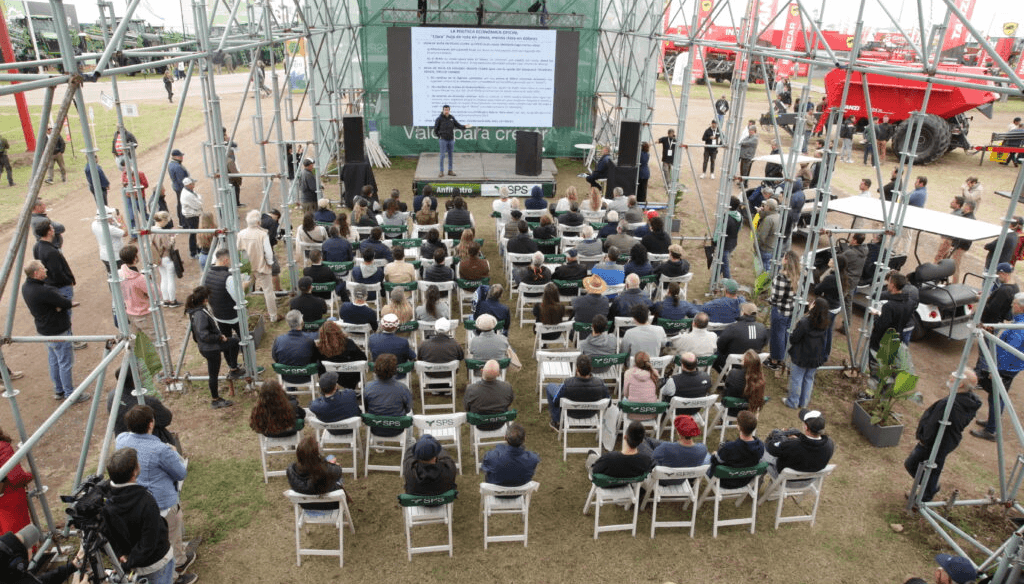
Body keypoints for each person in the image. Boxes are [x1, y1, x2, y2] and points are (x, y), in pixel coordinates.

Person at [115, 406, 194, 580]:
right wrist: (174, 453)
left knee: (152, 538)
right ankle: (174, 574)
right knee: (170, 537)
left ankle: (179, 561)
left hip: (138, 503)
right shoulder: (160, 450)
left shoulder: (121, 440)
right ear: (151, 424)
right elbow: (180, 473)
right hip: (163, 503)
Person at [101, 448, 179, 584]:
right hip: (155, 562)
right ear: (134, 472)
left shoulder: (105, 499)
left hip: (130, 560)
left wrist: (121, 557)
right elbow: (149, 542)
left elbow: (106, 532)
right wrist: (129, 562)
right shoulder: (145, 501)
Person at [904, 370, 981, 503]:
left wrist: (923, 439)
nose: (949, 378)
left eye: (952, 378)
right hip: (949, 440)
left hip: (935, 442)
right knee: (933, 466)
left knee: (914, 464)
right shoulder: (969, 401)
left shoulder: (950, 404)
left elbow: (932, 424)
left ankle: (927, 493)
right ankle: (929, 488)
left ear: (960, 384)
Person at [21, 260, 87, 403]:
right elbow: (65, 302)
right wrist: (61, 306)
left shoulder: (25, 287)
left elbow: (60, 303)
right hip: (58, 330)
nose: (46, 270)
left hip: (44, 330)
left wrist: (59, 306)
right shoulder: (45, 290)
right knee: (64, 362)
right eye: (43, 269)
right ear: (36, 273)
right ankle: (70, 394)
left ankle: (59, 390)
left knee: (54, 361)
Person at [971, 293, 1024, 442]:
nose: (1011, 305)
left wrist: (995, 370)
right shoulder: (1019, 322)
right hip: (1011, 367)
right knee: (995, 396)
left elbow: (1008, 350)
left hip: (1006, 368)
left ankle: (991, 430)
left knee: (997, 397)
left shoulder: (1018, 328)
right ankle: (991, 424)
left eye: (1014, 303)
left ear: (1020, 307)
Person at [185, 286, 242, 408]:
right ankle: (215, 399)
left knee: (234, 342)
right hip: (210, 348)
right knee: (213, 374)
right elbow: (204, 335)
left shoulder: (199, 309)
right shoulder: (200, 314)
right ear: (205, 299)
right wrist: (219, 338)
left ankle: (234, 368)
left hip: (210, 345)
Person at [785, 298, 830, 409]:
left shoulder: (805, 322)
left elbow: (794, 338)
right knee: (808, 379)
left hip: (801, 356)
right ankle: (803, 403)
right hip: (815, 357)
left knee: (796, 379)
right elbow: (826, 342)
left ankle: (793, 402)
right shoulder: (825, 324)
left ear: (814, 307)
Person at [763, 408, 835, 478]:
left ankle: (757, 481)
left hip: (786, 480)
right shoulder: (830, 444)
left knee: (762, 449)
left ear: (806, 427)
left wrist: (780, 436)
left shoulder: (792, 445)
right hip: (808, 481)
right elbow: (809, 450)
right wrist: (798, 439)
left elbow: (770, 447)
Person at [546, 354, 610, 430]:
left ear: (577, 369)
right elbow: (608, 403)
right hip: (591, 414)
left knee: (550, 386)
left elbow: (556, 401)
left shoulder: (568, 383)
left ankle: (557, 421)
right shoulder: (600, 384)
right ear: (591, 369)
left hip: (572, 413)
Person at [237, 209, 279, 322]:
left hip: (247, 266)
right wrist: (270, 263)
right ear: (258, 222)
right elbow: (268, 252)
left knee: (243, 290)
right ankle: (273, 316)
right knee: (268, 291)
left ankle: (243, 314)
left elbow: (238, 250)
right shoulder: (263, 234)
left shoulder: (240, 234)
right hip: (261, 265)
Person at [287, 435, 346, 510]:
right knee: (331, 458)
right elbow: (339, 471)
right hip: (330, 505)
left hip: (306, 505)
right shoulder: (326, 470)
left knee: (330, 458)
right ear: (316, 455)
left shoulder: (291, 470)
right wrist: (328, 463)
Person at [708, 411, 764, 488]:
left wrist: (714, 454)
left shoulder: (729, 447)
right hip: (744, 481)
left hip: (724, 481)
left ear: (738, 426)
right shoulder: (760, 446)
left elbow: (715, 461)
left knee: (707, 456)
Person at [363, 354, 413, 438]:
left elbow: (366, 407)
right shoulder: (402, 388)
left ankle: (379, 442)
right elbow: (408, 409)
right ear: (395, 369)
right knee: (411, 414)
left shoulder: (368, 387)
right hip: (397, 428)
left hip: (375, 428)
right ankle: (409, 440)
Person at [766, 250, 800, 371]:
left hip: (780, 310)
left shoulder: (781, 277)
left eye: (783, 256)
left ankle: (775, 361)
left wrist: (769, 300)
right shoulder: (798, 275)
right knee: (786, 334)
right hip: (791, 310)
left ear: (786, 260)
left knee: (777, 335)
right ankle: (783, 358)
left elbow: (776, 298)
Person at [868, 272, 915, 352]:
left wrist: (876, 316)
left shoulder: (889, 306)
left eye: (889, 282)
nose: (887, 284)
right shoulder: (910, 302)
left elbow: (880, 326)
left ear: (893, 285)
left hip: (881, 342)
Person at [117, 245, 157, 340]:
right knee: (154, 340)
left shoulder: (118, 274)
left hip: (129, 313)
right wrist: (149, 281)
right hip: (144, 314)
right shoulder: (140, 279)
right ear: (135, 259)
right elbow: (156, 294)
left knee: (135, 343)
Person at [715, 303, 768, 371]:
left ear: (743, 312)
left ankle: (726, 378)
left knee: (714, 356)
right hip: (753, 362)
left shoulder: (733, 328)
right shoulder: (762, 327)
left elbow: (720, 345)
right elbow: (764, 343)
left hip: (734, 363)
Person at [0, 427, 32, 536]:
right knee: (17, 537)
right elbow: (16, 477)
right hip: (9, 498)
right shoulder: (2, 447)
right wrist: (30, 475)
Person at [464, 359, 514, 428]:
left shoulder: (471, 389)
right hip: (499, 423)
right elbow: (509, 402)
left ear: (481, 371)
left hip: (479, 424)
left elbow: (467, 408)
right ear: (499, 374)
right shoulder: (507, 387)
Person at [272, 311, 318, 385]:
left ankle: (291, 389)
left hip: (286, 377)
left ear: (287, 323)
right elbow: (315, 358)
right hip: (306, 376)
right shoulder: (309, 341)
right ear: (301, 321)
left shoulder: (278, 340)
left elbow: (275, 358)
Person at [433, 105, 471, 177]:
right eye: (445, 110)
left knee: (450, 155)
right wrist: (440, 136)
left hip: (451, 140)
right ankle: (441, 171)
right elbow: (435, 129)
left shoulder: (452, 118)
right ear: (443, 110)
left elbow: (458, 125)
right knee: (442, 155)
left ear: (449, 111)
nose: (446, 111)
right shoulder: (439, 119)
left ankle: (450, 171)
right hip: (443, 140)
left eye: (447, 110)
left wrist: (465, 126)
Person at [622, 352, 660, 420]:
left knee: (623, 399)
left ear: (635, 362)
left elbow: (625, 394)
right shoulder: (654, 373)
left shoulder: (628, 373)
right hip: (650, 414)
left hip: (632, 413)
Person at [92, 205, 127, 275]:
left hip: (104, 255)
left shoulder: (94, 224)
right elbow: (125, 233)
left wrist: (112, 222)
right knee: (121, 277)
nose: (112, 216)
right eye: (110, 214)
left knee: (111, 276)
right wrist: (121, 221)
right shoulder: (110, 228)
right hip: (116, 257)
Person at [755, 198, 780, 271]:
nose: (763, 206)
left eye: (765, 205)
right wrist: (761, 212)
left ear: (769, 207)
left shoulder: (769, 219)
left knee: (764, 269)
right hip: (772, 247)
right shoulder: (777, 216)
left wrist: (756, 246)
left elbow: (762, 236)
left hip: (765, 248)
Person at [168, 149, 189, 224]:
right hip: (181, 188)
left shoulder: (171, 164)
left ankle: (181, 221)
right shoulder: (177, 166)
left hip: (176, 187)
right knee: (183, 204)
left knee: (180, 204)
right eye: (180, 156)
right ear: (175, 157)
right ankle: (183, 222)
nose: (182, 157)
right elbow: (182, 180)